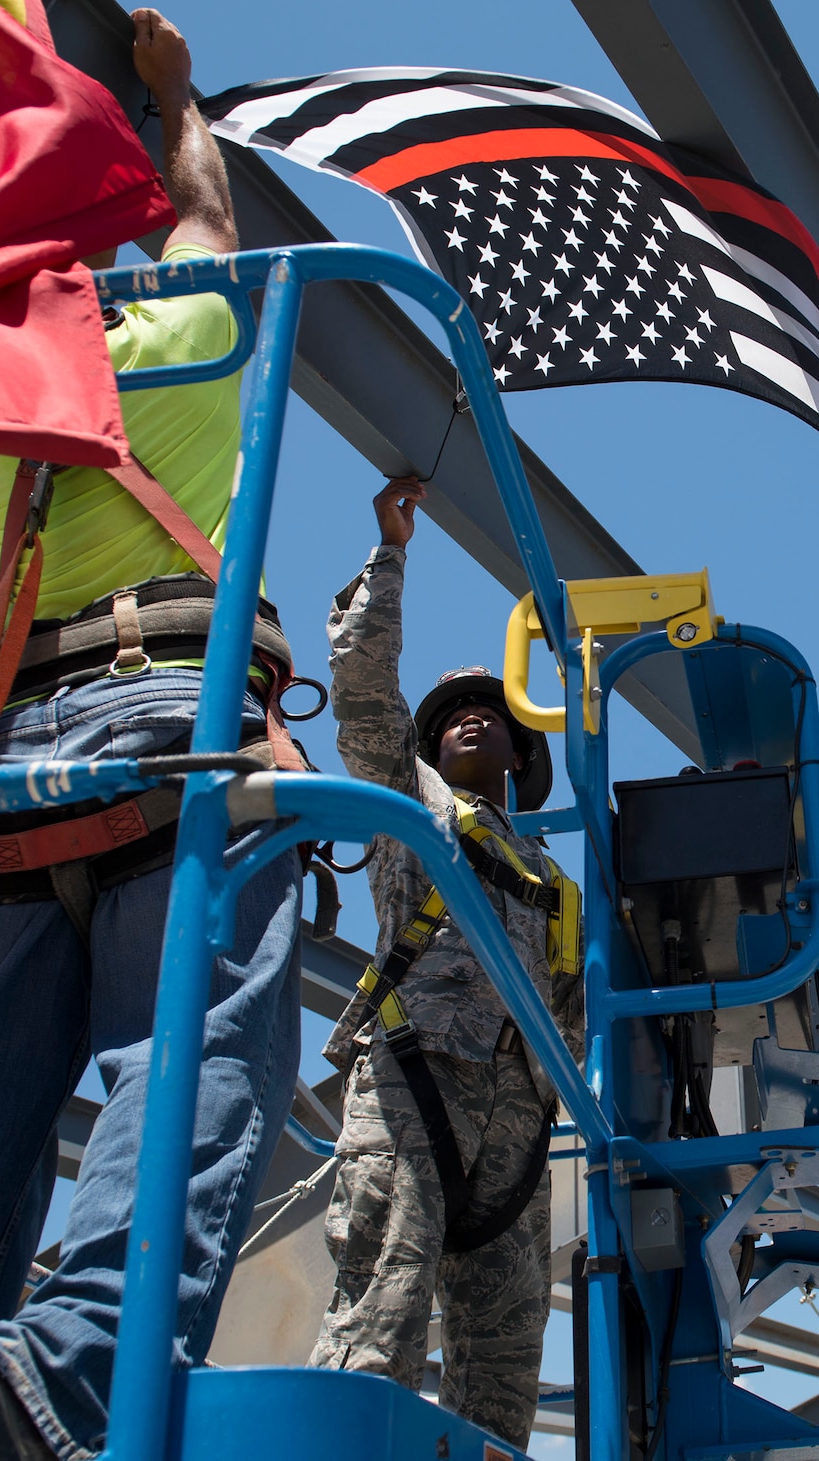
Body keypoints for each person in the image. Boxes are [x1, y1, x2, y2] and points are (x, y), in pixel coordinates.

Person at [0, 13, 305, 1461]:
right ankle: (69, 1369)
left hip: (10, 775)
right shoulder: (179, 339)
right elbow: (211, 222)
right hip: (173, 722)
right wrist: (177, 103)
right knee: (199, 1048)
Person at [309, 477, 582, 1447]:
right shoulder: (413, 806)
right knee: (376, 1330)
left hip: (516, 1141)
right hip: (415, 1089)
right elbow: (364, 695)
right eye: (455, 712)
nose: (471, 718)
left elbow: (571, 1016)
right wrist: (388, 556)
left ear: (517, 748)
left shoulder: (554, 885)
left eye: (489, 711)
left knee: (504, 1375)